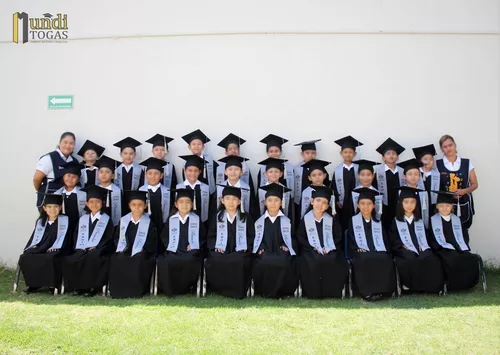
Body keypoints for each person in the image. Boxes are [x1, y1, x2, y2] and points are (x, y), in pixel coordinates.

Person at [389, 186, 444, 294]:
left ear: (416, 204)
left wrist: (422, 244)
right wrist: (401, 245)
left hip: (420, 247)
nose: (409, 205)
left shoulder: (419, 221)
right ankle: (410, 286)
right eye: (406, 202)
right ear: (401, 203)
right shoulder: (396, 221)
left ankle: (429, 286)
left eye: (412, 202)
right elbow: (393, 238)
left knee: (429, 256)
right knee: (410, 257)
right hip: (403, 249)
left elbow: (425, 237)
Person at [297, 186, 348, 298]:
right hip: (310, 250)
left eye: (324, 202)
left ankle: (331, 293)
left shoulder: (331, 219)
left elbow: (338, 236)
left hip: (329, 250)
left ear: (327, 206)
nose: (320, 204)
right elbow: (301, 237)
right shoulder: (305, 219)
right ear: (312, 201)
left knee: (333, 259)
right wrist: (313, 247)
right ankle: (313, 293)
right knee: (313, 261)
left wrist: (329, 247)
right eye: (318, 201)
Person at [62, 185, 115, 296]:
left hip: (99, 250)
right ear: (86, 204)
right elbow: (76, 235)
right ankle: (78, 286)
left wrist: (98, 247)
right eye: (91, 202)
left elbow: (108, 238)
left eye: (97, 202)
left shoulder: (106, 219)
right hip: (83, 248)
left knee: (92, 257)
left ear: (102, 203)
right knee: (72, 258)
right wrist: (80, 246)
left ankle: (92, 287)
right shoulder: (83, 219)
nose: (94, 205)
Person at [205, 185, 254, 299]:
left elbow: (252, 236)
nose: (231, 202)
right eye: (227, 198)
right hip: (221, 249)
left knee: (239, 259)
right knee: (216, 257)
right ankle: (219, 289)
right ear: (222, 200)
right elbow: (211, 236)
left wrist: (246, 246)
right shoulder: (217, 217)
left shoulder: (246, 217)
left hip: (240, 250)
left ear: (239, 201)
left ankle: (237, 290)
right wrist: (215, 247)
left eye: (234, 199)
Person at [348, 187, 396, 301]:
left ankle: (383, 291)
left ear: (374, 206)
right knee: (365, 258)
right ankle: (367, 292)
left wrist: (384, 249)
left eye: (369, 203)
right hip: (360, 251)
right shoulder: (353, 221)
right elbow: (350, 238)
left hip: (377, 250)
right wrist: (357, 248)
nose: (365, 206)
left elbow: (385, 240)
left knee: (384, 257)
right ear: (358, 205)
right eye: (362, 203)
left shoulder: (378, 222)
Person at [157, 188, 207, 296]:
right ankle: (172, 289)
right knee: (168, 260)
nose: (184, 205)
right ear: (176, 204)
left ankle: (188, 287)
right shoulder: (171, 220)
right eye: (181, 202)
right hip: (174, 250)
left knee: (190, 259)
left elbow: (202, 238)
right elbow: (164, 237)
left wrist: (195, 245)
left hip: (191, 251)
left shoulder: (197, 219)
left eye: (188, 202)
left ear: (192, 204)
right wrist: (171, 246)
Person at [19, 193, 72, 293]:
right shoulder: (40, 222)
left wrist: (56, 247)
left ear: (60, 207)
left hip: (59, 249)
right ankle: (33, 284)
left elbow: (67, 239)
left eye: (56, 206)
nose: (53, 209)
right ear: (44, 208)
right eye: (49, 207)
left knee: (50, 257)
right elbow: (34, 238)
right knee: (26, 256)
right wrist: (32, 247)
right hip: (41, 247)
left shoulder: (65, 221)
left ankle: (53, 285)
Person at [252, 183, 298, 298]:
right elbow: (255, 237)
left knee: (283, 260)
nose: (273, 203)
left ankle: (283, 292)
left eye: (276, 200)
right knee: (264, 260)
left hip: (281, 250)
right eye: (270, 200)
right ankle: (264, 292)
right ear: (265, 202)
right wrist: (261, 247)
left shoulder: (288, 221)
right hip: (265, 251)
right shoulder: (259, 222)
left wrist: (285, 245)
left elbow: (292, 237)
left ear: (281, 203)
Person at [427, 191, 480, 291]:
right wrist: (439, 246)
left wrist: (462, 246)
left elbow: (464, 236)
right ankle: (454, 285)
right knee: (453, 258)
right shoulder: (432, 221)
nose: (444, 208)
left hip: (458, 247)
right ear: (437, 207)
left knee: (470, 258)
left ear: (452, 207)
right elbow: (430, 238)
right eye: (441, 206)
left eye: (447, 206)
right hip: (441, 249)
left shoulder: (457, 220)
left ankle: (468, 284)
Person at [109, 191, 157, 298]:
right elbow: (117, 237)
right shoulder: (124, 220)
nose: (137, 208)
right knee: (117, 258)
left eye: (140, 205)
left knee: (138, 259)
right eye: (134, 205)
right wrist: (121, 248)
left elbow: (152, 241)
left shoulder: (149, 223)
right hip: (125, 249)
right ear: (129, 205)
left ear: (145, 206)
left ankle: (136, 291)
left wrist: (143, 249)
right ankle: (119, 291)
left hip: (143, 252)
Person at [435, 135, 478, 229]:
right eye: (445, 146)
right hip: (445, 205)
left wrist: (464, 191)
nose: (448, 148)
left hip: (464, 203)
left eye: (450, 145)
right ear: (442, 149)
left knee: (463, 231)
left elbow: (474, 184)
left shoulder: (467, 163)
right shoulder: (437, 164)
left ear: (455, 145)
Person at [33, 132, 77, 207]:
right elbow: (37, 179)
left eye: (71, 143)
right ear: (60, 143)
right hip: (49, 199)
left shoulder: (74, 161)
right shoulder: (49, 158)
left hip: (66, 200)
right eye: (65, 142)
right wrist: (41, 192)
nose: (68, 146)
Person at [331, 135, 363, 234]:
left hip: (357, 202)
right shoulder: (337, 170)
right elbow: (334, 187)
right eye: (345, 152)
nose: (348, 154)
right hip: (343, 204)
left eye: (350, 152)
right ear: (341, 153)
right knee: (343, 223)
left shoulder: (359, 168)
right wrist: (336, 200)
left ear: (355, 153)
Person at [139, 157, 173, 246]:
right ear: (146, 175)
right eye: (150, 173)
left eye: (156, 173)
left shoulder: (167, 191)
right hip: (145, 223)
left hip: (162, 223)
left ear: (161, 175)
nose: (153, 176)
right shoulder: (141, 190)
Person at [375, 138, 405, 230]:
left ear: (397, 157)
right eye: (388, 154)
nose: (391, 156)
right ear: (383, 158)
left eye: (394, 153)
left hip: (399, 205)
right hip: (384, 206)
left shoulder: (402, 172)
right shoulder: (378, 172)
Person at [215, 155, 259, 220]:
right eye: (230, 169)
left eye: (236, 169)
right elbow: (215, 209)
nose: (233, 172)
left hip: (243, 220)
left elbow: (252, 209)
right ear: (225, 172)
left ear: (241, 172)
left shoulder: (246, 188)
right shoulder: (220, 188)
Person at [256, 157, 295, 225]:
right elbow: (257, 210)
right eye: (270, 172)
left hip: (283, 223)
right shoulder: (261, 190)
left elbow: (290, 212)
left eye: (276, 171)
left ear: (281, 174)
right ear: (265, 174)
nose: (274, 174)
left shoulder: (285, 190)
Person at [176, 155, 212, 225]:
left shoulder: (205, 188)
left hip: (203, 223)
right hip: (183, 223)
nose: (193, 173)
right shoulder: (179, 187)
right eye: (190, 170)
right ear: (185, 171)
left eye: (196, 171)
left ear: (200, 172)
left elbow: (210, 208)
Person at [293, 139, 330, 207]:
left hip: (319, 201)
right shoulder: (297, 169)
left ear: (316, 153)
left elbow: (326, 184)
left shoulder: (321, 168)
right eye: (307, 153)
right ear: (302, 154)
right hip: (301, 200)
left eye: (313, 153)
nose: (310, 155)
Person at [53, 161, 87, 232]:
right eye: (68, 175)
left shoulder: (83, 194)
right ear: (63, 176)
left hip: (78, 227)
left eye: (74, 177)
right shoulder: (57, 193)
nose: (70, 179)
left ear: (78, 180)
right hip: (61, 228)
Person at [181, 129, 218, 195]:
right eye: (193, 144)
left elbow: (216, 179)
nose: (196, 146)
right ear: (189, 147)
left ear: (203, 147)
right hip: (190, 193)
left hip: (207, 195)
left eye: (199, 144)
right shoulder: (185, 163)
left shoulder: (211, 163)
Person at [398, 158, 430, 228]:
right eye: (410, 174)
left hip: (421, 227)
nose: (413, 177)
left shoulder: (424, 193)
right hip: (404, 226)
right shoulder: (400, 192)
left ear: (419, 176)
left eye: (416, 174)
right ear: (404, 176)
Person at [413, 144, 441, 219]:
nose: (428, 161)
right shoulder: (415, 173)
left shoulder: (437, 174)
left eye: (431, 159)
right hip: (418, 205)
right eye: (425, 159)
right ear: (420, 160)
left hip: (433, 206)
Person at [95, 155, 123, 226]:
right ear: (98, 174)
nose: (104, 174)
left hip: (114, 226)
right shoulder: (94, 191)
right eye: (101, 172)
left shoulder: (118, 192)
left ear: (113, 175)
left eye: (107, 172)